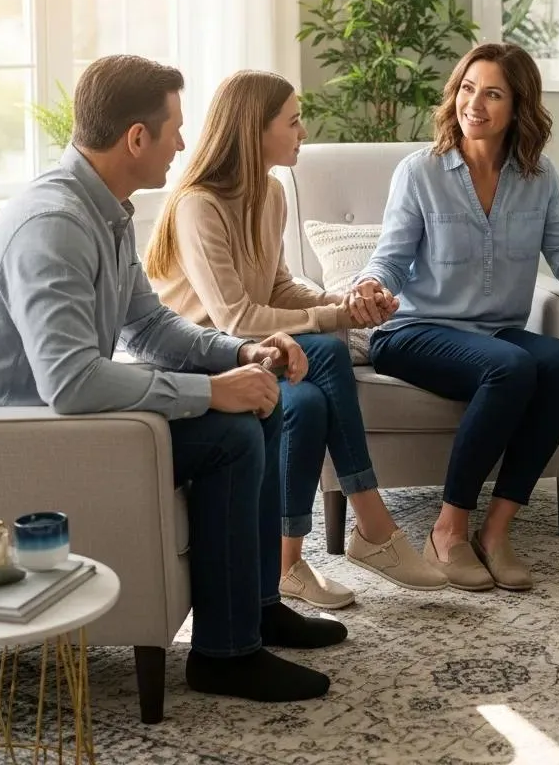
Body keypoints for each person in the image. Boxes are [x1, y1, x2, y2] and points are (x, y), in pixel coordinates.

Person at [0, 55, 347, 704]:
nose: (182, 141)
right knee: (231, 431)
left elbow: (148, 328)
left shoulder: (105, 210)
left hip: (66, 421)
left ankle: (255, 609)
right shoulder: (54, 226)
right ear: (136, 139)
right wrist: (208, 391)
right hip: (22, 440)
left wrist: (242, 356)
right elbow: (71, 384)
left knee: (260, 402)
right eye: (173, 127)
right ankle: (225, 656)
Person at [349, 41, 559, 593]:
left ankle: (496, 531)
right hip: (414, 331)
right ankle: (448, 529)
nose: (474, 104)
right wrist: (369, 285)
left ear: (518, 107)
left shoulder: (539, 177)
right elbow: (390, 259)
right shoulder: (421, 172)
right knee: (511, 367)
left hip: (493, 333)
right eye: (467, 88)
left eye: (492, 94)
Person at [145, 70, 447, 606]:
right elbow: (234, 317)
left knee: (306, 406)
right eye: (293, 120)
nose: (303, 131)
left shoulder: (272, 192)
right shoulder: (199, 204)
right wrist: (336, 321)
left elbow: (279, 286)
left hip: (262, 354)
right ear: (254, 130)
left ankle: (288, 564)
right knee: (328, 347)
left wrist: (346, 303)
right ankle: (374, 528)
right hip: (204, 358)